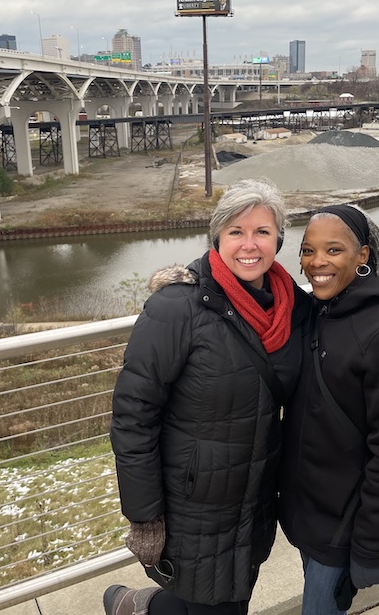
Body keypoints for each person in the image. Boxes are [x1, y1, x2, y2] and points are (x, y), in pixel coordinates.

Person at [106, 178, 311, 615]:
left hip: (255, 500)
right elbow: (132, 415)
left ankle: (136, 607)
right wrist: (145, 516)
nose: (249, 245)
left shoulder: (292, 307)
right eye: (236, 232)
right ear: (217, 238)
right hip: (193, 509)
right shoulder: (178, 308)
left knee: (231, 600)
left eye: (262, 231)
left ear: (279, 238)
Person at [279, 204, 379, 615]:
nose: (316, 263)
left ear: (362, 256)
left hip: (343, 527)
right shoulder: (315, 312)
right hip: (305, 513)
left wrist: (367, 548)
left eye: (333, 250)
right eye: (308, 251)